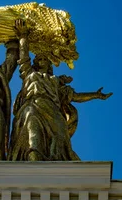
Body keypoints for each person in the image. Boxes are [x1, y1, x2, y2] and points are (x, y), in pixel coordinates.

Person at [9, 20, 77, 161]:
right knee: (33, 135)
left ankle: (55, 167)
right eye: (38, 59)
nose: (40, 60)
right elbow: (24, 58)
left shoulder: (56, 81)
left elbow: (74, 96)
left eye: (43, 58)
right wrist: (23, 36)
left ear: (48, 63)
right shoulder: (29, 74)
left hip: (53, 110)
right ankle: (34, 161)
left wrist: (96, 95)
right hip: (32, 105)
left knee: (60, 140)